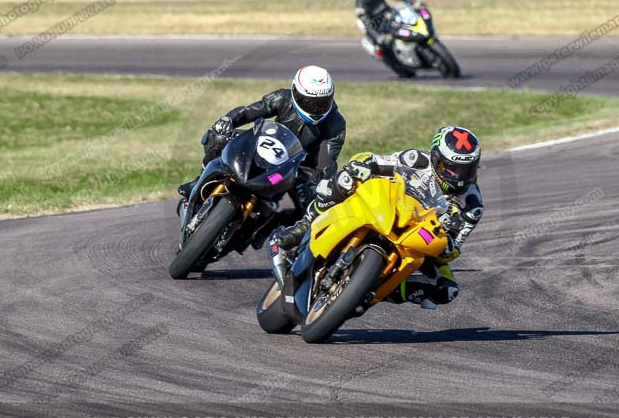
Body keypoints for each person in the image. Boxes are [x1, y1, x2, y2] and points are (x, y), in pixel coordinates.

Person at [271, 126, 483, 308]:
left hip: (420, 240)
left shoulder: (472, 205)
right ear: (436, 159)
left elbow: (453, 249)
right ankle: (300, 231)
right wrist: (364, 165)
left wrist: (447, 242)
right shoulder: (416, 159)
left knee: (446, 290)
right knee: (343, 180)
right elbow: (380, 161)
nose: (459, 175)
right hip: (390, 210)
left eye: (467, 169)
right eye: (453, 168)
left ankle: (372, 292)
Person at [177, 65, 346, 237]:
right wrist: (229, 120)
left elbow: (326, 165)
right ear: (295, 92)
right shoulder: (282, 97)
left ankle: (270, 232)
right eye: (308, 102)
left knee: (309, 204)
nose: (315, 109)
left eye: (321, 103)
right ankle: (199, 179)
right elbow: (249, 111)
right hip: (264, 144)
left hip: (294, 169)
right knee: (218, 137)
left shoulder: (336, 125)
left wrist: (311, 183)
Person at [354, 0, 423, 77]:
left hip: (391, 15)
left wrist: (413, 1)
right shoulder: (359, 3)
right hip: (377, 26)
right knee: (380, 47)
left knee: (411, 18)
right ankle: (397, 65)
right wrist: (378, 37)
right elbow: (366, 23)